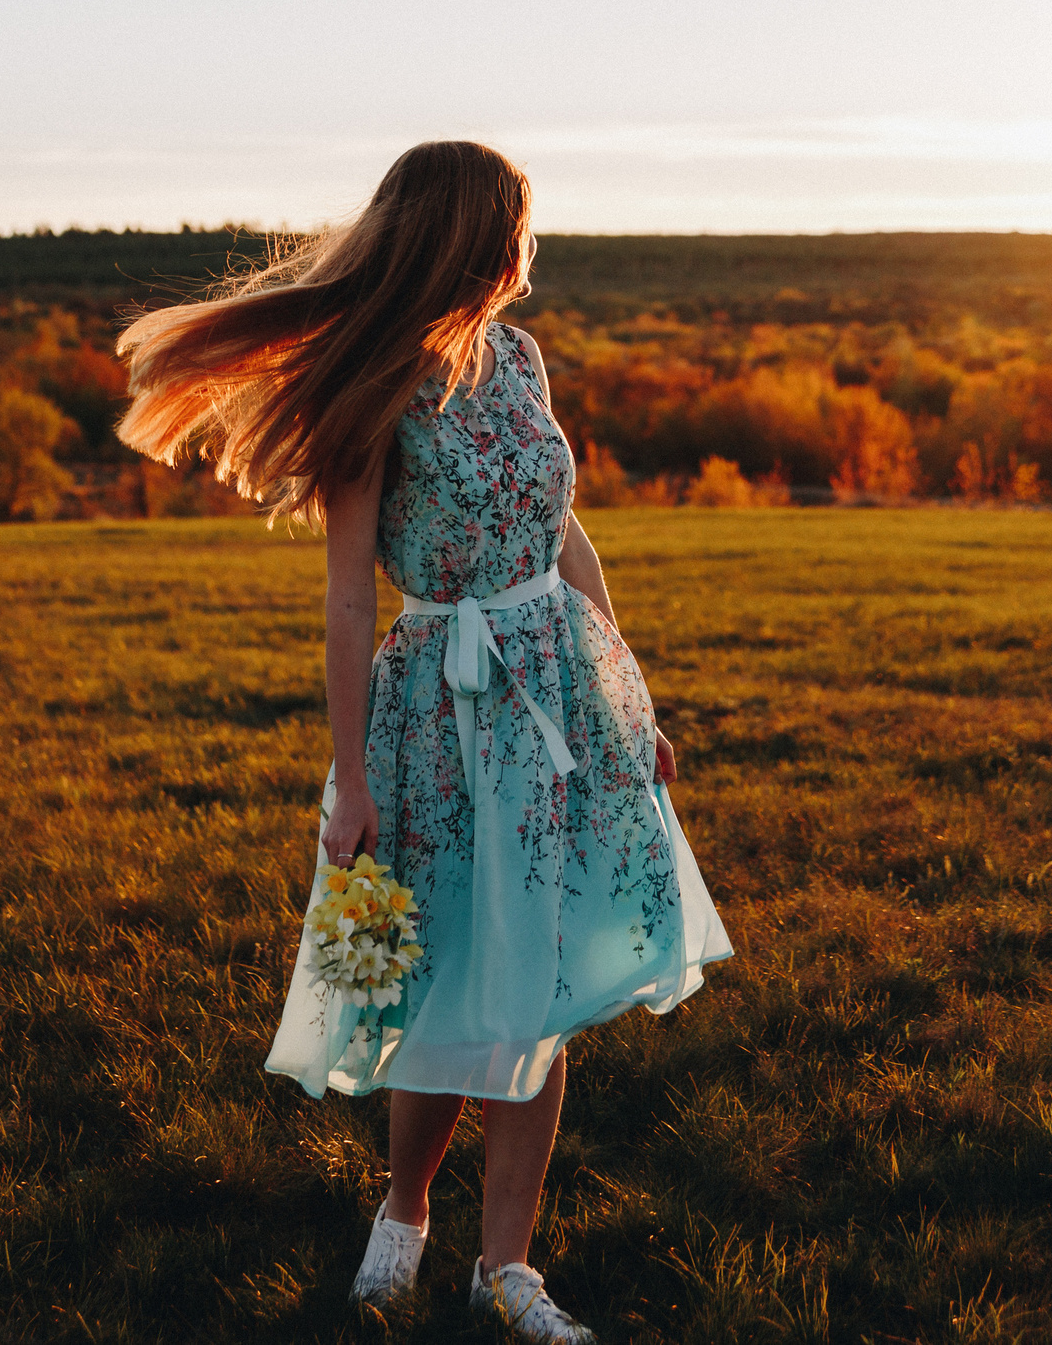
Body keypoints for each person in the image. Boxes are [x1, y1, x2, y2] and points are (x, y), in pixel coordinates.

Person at [116, 140, 729, 1342]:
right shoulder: (373, 386)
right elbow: (351, 595)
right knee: (442, 976)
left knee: (541, 982)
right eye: (519, 226)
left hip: (557, 690)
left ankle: (507, 1269)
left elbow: (563, 532)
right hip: (436, 719)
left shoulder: (519, 358)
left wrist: (630, 697)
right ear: (479, 237)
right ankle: (403, 1215)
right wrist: (350, 778)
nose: (528, 248)